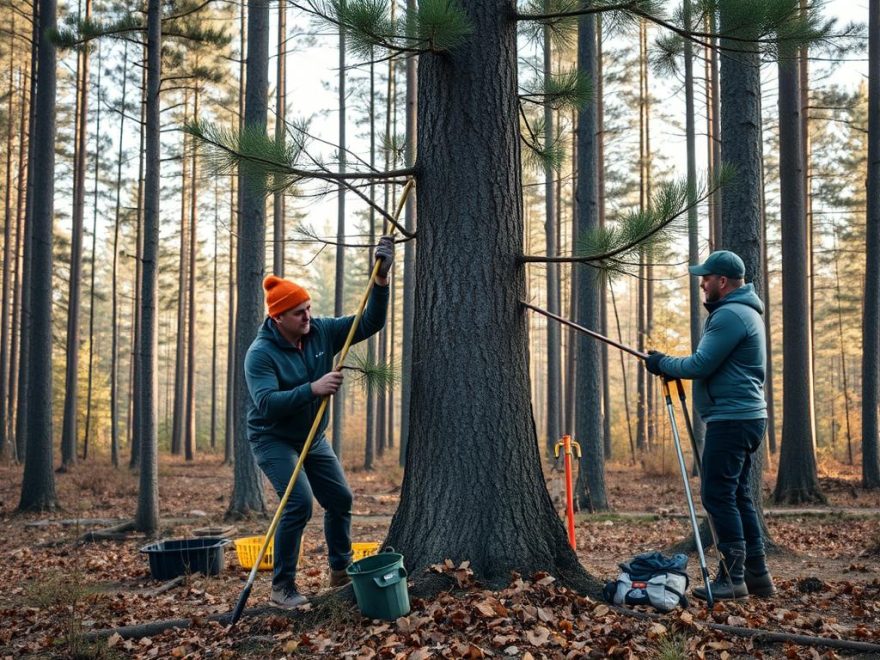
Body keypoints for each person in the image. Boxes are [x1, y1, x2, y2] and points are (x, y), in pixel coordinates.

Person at [244, 236, 395, 609]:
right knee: (298, 503)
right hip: (273, 438)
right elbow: (266, 404)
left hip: (313, 438)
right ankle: (282, 588)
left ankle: (340, 570)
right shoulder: (260, 354)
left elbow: (370, 321)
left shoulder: (321, 331)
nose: (307, 317)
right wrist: (313, 388)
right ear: (277, 317)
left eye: (308, 308)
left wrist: (381, 281)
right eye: (298, 312)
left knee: (340, 499)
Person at [644, 250, 775, 600]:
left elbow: (701, 364)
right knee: (738, 494)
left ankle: (732, 578)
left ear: (722, 281)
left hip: (732, 419)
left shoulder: (731, 315)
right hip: (743, 416)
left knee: (717, 494)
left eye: (706, 277)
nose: (701, 283)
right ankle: (757, 574)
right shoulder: (742, 313)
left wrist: (662, 363)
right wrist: (666, 364)